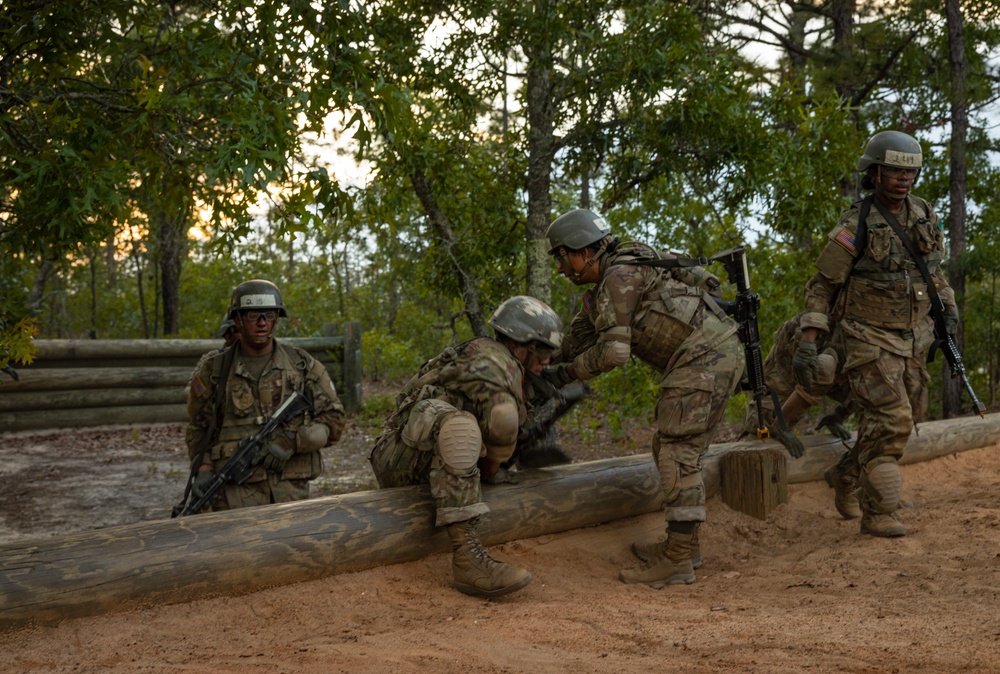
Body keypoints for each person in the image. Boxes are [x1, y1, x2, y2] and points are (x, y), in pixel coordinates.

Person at [544, 208, 744, 587]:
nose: (560, 268)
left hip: (705, 358)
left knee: (676, 453)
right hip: (709, 355)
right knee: (668, 446)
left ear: (582, 251)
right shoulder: (622, 270)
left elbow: (614, 353)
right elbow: (576, 343)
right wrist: (535, 356)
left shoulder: (619, 278)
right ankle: (684, 548)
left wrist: (566, 375)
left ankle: (678, 561)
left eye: (561, 257)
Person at [793, 130, 956, 538]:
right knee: (891, 417)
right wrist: (810, 340)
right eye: (894, 172)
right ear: (875, 173)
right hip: (865, 335)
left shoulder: (923, 214)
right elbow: (822, 285)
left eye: (910, 172)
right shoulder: (857, 222)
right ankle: (878, 511)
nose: (904, 179)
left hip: (912, 337)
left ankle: (847, 474)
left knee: (909, 414)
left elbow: (933, 271)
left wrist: (948, 310)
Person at [368, 295, 564, 598]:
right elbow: (502, 420)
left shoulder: (501, 362)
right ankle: (468, 561)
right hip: (397, 460)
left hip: (418, 459)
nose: (548, 361)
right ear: (523, 343)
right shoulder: (494, 361)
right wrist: (493, 466)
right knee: (460, 426)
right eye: (545, 352)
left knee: (465, 425)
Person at [185, 279, 346, 511]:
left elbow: (335, 418)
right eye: (253, 316)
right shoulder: (214, 370)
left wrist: (294, 441)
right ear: (238, 319)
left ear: (277, 319)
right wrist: (203, 468)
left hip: (289, 492)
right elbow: (198, 426)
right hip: (234, 495)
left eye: (269, 315)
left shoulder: (301, 365)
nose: (262, 323)